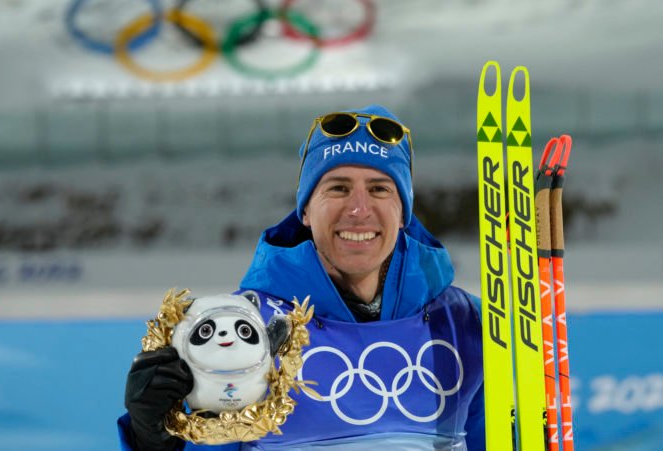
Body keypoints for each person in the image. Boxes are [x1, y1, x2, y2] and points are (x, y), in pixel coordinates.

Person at [118, 105, 484, 450]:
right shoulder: (244, 327)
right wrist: (153, 438)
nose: (359, 209)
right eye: (338, 188)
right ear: (305, 210)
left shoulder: (465, 322)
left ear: (403, 212)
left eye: (379, 189)